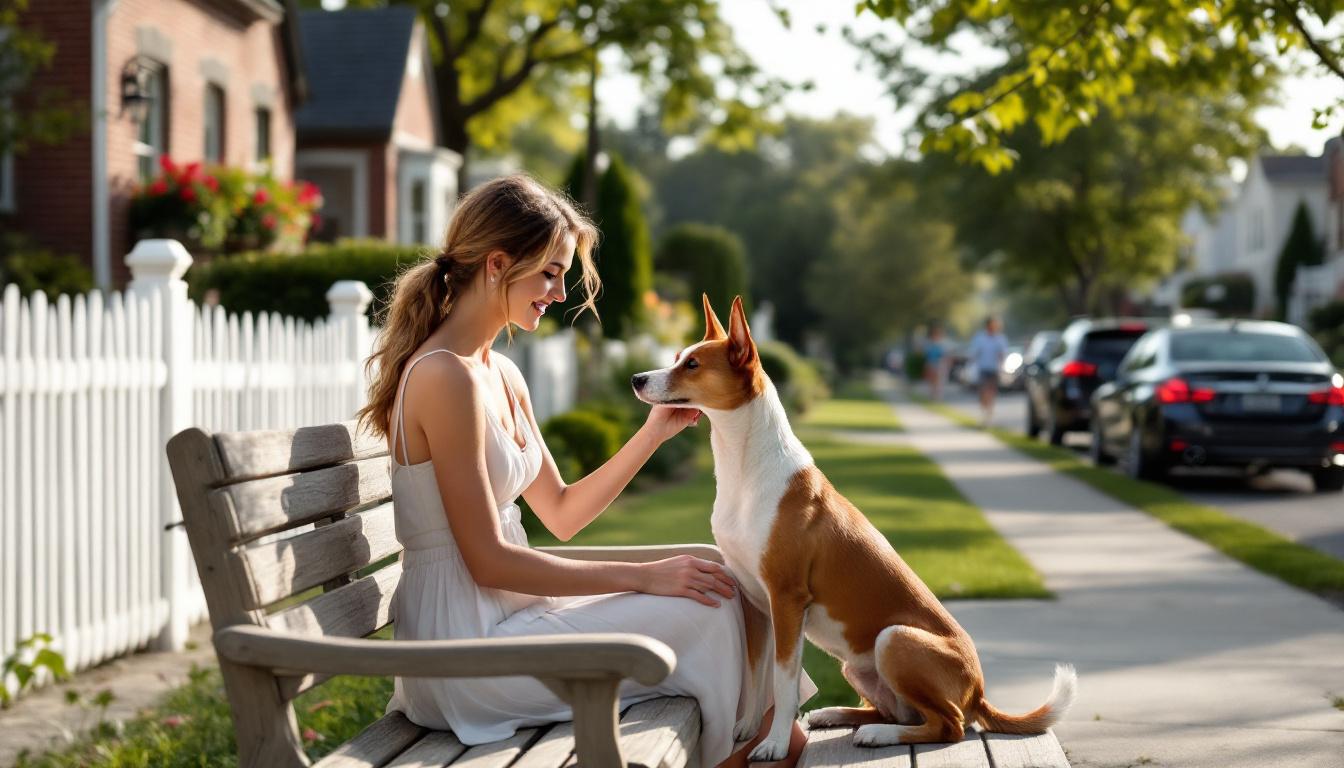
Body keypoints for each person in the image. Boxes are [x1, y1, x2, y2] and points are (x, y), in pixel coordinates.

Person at [356, 174, 810, 768]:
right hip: (461, 656)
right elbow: (487, 560)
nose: (560, 290)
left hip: (516, 621)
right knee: (709, 604)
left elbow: (563, 513)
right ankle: (759, 748)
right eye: (550, 272)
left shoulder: (498, 373)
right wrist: (645, 577)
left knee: (716, 580)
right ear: (497, 264)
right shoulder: (446, 377)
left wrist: (652, 433)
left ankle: (760, 743)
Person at [967, 316, 1008, 426]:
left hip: (994, 369)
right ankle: (984, 413)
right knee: (983, 392)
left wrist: (1003, 368)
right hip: (983, 368)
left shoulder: (1000, 338)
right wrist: (971, 367)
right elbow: (974, 353)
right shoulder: (980, 338)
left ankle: (988, 414)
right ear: (988, 325)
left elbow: (1003, 354)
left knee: (991, 392)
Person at [923, 325, 947, 401]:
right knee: (931, 381)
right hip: (931, 363)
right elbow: (927, 356)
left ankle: (937, 396)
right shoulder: (929, 345)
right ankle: (932, 395)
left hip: (938, 364)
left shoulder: (941, 345)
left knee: (937, 381)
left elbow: (943, 355)